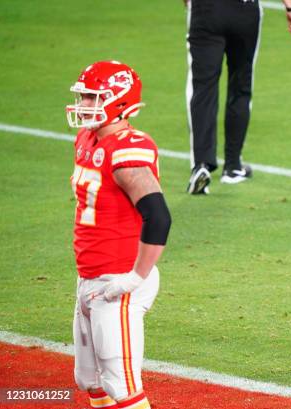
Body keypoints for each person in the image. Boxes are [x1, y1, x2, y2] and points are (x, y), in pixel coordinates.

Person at [66, 61, 172, 409]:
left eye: (93, 97)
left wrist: (134, 278)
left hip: (119, 277)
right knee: (92, 382)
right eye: (83, 96)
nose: (84, 104)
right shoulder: (86, 139)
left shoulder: (128, 148)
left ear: (120, 102)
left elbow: (158, 216)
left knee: (121, 385)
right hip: (90, 276)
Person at [184, 0, 291, 194]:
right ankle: (232, 167)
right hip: (244, 10)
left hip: (205, 9)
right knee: (240, 87)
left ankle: (201, 165)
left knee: (202, 89)